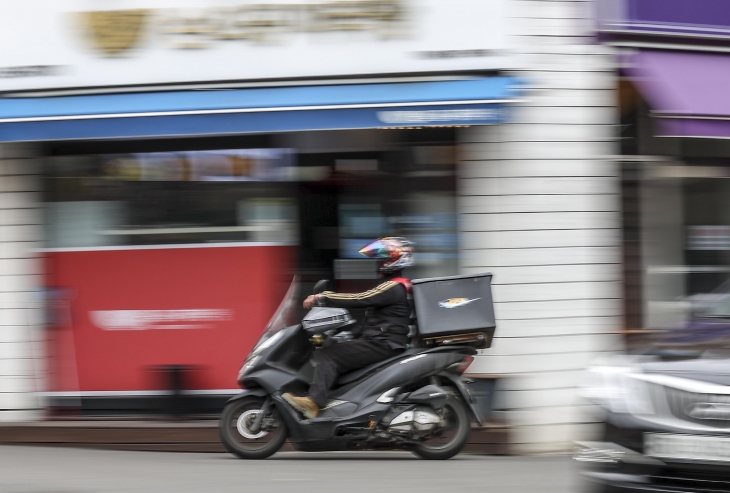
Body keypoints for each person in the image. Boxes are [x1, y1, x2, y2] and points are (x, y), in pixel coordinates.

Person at [282, 237, 414, 419]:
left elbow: (359, 298)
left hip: (383, 344)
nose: (378, 263)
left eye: (381, 259)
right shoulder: (396, 286)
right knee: (333, 347)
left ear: (393, 260)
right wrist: (347, 333)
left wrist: (322, 297)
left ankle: (314, 402)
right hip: (383, 341)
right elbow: (374, 321)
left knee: (327, 356)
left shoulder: (393, 286)